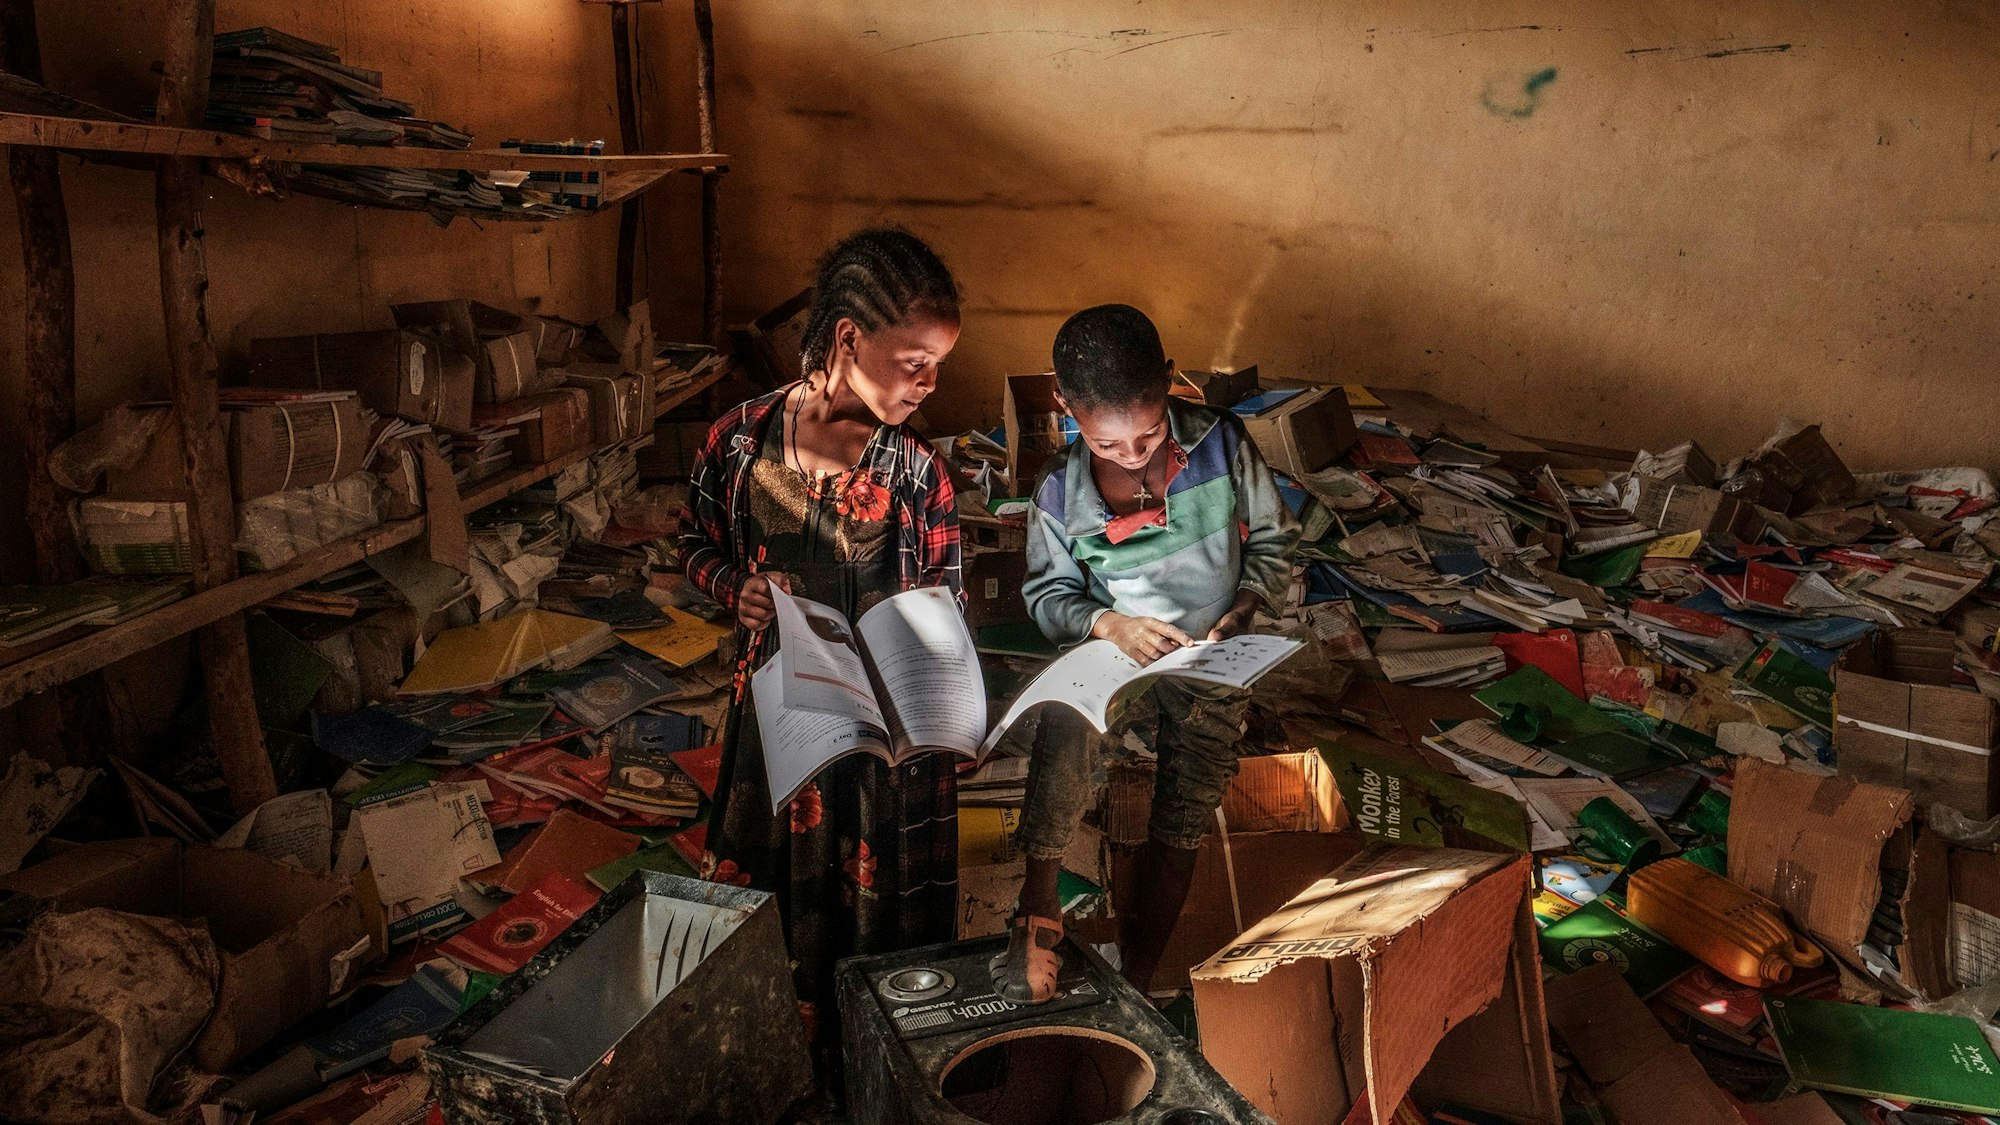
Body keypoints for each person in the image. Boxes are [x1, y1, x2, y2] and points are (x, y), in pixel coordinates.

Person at [679, 228, 964, 1054]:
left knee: (878, 932)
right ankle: (775, 1068)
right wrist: (736, 589)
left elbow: (942, 612)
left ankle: (865, 1074)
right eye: (914, 359)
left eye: (938, 363)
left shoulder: (918, 475)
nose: (929, 382)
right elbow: (690, 546)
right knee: (771, 921)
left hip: (885, 754)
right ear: (847, 337)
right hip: (778, 737)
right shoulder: (737, 442)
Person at [993, 304, 1300, 1003]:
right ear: (1068, 409)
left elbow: (1278, 541)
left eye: (1151, 432)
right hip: (1120, 649)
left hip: (1211, 652)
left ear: (1170, 384)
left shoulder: (1224, 445)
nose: (1135, 456)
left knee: (1191, 795)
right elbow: (1048, 596)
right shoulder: (1057, 493)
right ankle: (1036, 909)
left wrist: (1247, 603)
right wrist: (1107, 623)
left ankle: (1139, 974)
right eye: (1110, 445)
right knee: (1066, 726)